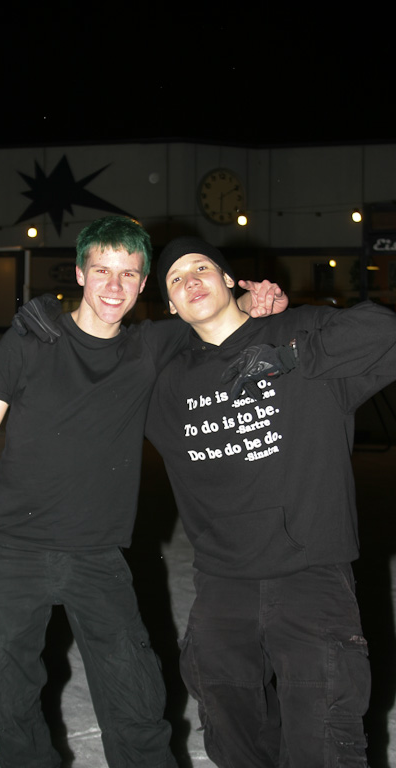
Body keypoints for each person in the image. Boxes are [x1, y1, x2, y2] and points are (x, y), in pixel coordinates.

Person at [0, 216, 287, 768]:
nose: (114, 286)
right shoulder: (31, 341)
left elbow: (215, 312)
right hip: (13, 550)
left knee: (136, 699)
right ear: (80, 273)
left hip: (97, 557)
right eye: (102, 271)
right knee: (6, 697)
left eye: (128, 274)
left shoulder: (149, 347)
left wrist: (258, 299)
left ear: (143, 282)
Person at [145, 235, 396, 768]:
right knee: (231, 734)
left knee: (324, 738)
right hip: (222, 584)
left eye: (201, 267)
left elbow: (385, 332)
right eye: (175, 278)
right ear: (169, 304)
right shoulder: (165, 382)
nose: (190, 280)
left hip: (312, 576)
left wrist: (289, 357)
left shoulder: (294, 330)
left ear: (229, 278)